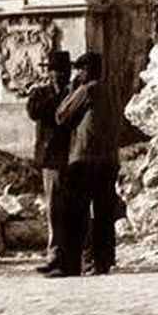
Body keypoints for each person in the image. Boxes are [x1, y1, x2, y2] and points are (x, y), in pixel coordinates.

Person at [50, 51, 121, 278]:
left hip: (84, 159)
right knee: (104, 212)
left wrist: (71, 90)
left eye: (80, 69)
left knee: (78, 212)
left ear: (87, 70)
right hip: (109, 159)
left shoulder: (87, 90)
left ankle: (85, 261)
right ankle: (104, 260)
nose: (77, 73)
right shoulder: (113, 91)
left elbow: (61, 115)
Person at [25, 50, 73, 274]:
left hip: (72, 158)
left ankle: (69, 257)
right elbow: (35, 112)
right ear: (49, 72)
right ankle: (54, 255)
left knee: (70, 209)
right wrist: (57, 97)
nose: (59, 76)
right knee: (53, 210)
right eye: (55, 71)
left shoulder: (74, 92)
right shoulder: (40, 93)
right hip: (51, 159)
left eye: (63, 72)